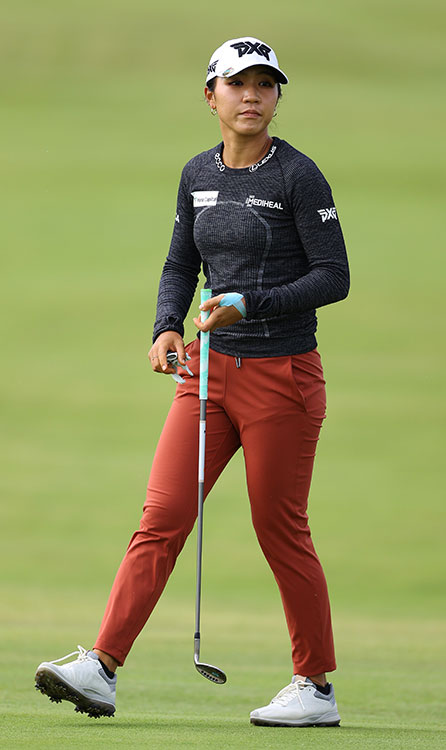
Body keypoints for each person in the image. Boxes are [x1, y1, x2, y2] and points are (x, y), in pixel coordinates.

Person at [35, 36, 350, 727]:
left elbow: (335, 277)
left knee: (279, 528)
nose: (252, 96)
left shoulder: (299, 177)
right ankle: (102, 666)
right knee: (162, 517)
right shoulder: (195, 174)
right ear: (211, 96)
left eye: (265, 85)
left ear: (276, 98)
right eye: (238, 85)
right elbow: (181, 261)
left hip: (282, 378)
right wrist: (164, 328)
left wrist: (250, 303)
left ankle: (315, 687)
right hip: (206, 377)